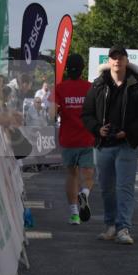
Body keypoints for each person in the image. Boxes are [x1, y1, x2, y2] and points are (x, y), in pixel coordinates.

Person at [81, 46, 138, 245]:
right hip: (103, 144)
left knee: (124, 187)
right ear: (109, 61)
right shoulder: (97, 85)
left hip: (127, 144)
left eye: (121, 57)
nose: (117, 61)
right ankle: (110, 226)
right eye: (113, 57)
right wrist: (97, 129)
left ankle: (123, 228)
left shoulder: (137, 87)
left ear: (127, 61)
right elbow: (86, 113)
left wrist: (128, 132)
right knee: (106, 188)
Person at [54, 53, 96, 226]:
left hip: (68, 139)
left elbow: (52, 112)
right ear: (82, 69)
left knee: (72, 175)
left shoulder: (59, 88)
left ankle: (74, 214)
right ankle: (84, 193)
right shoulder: (90, 87)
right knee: (88, 175)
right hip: (87, 138)